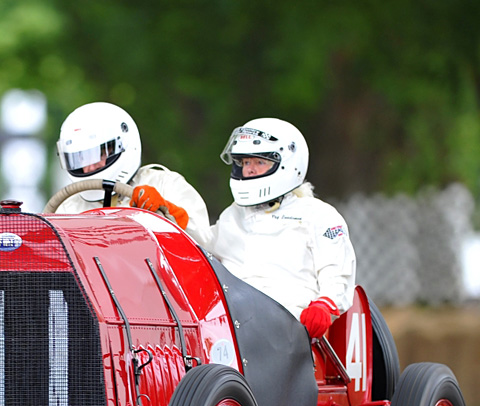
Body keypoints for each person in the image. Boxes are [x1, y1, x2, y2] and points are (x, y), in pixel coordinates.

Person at [206, 118, 357, 339]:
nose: (249, 170)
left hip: (290, 327)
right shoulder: (233, 215)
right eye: (245, 162)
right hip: (231, 325)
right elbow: (200, 249)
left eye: (259, 162)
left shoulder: (318, 215)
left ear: (287, 163)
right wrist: (173, 216)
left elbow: (336, 272)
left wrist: (325, 305)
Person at [53, 102, 212, 246]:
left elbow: (204, 240)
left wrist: (167, 210)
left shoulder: (164, 183)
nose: (88, 168)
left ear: (123, 144)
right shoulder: (68, 209)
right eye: (79, 159)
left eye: (97, 155)